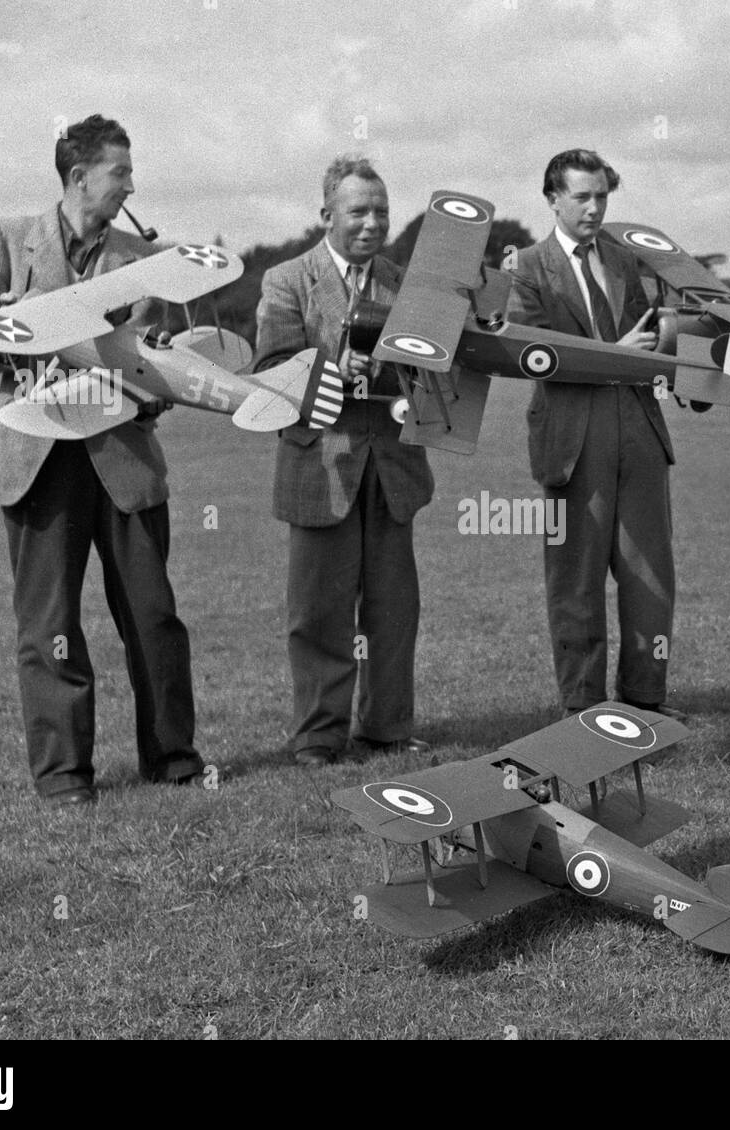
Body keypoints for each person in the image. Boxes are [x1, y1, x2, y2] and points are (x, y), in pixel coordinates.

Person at [0, 114, 203, 805]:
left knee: (153, 616)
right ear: (79, 176)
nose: (131, 184)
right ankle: (63, 778)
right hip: (37, 462)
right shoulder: (6, 238)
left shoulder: (146, 257)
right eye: (121, 171)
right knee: (49, 625)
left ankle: (174, 761)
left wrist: (152, 391)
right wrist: (21, 339)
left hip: (124, 460)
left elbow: (165, 365)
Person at [253, 156, 432, 767]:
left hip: (393, 467)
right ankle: (319, 736)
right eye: (358, 211)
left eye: (381, 210)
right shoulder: (285, 281)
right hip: (319, 467)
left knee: (393, 607)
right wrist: (332, 367)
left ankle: (387, 726)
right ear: (326, 214)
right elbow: (271, 372)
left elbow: (434, 367)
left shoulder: (405, 282)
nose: (372, 222)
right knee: (319, 613)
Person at [506, 148, 686, 720]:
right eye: (581, 197)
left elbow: (651, 340)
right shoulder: (528, 267)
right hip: (571, 439)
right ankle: (584, 710)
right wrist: (613, 356)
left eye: (602, 196)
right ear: (552, 199)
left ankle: (646, 702)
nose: (594, 208)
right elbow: (529, 352)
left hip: (638, 428)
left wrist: (670, 339)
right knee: (575, 582)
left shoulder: (625, 259)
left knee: (649, 575)